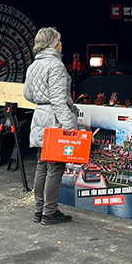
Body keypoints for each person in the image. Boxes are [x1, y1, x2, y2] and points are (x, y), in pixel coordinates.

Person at [24, 26, 80, 226]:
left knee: (41, 165)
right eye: (59, 40)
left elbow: (28, 95)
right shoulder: (55, 65)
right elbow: (58, 100)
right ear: (52, 44)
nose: (61, 43)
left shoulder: (33, 66)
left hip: (39, 117)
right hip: (55, 120)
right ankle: (50, 211)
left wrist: (42, 102)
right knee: (55, 168)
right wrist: (69, 124)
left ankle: (39, 210)